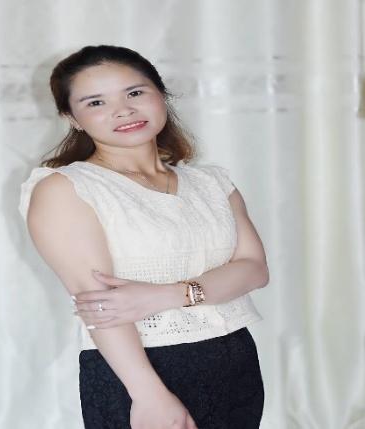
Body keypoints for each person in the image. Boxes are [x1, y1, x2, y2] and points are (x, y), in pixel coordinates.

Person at [19, 45, 269, 429]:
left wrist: (168, 295)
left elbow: (254, 270)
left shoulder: (211, 183)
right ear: (72, 118)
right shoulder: (65, 188)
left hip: (235, 359)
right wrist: (149, 395)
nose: (123, 110)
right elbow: (101, 307)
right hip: (141, 372)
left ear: (161, 94)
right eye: (96, 102)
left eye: (134, 93)